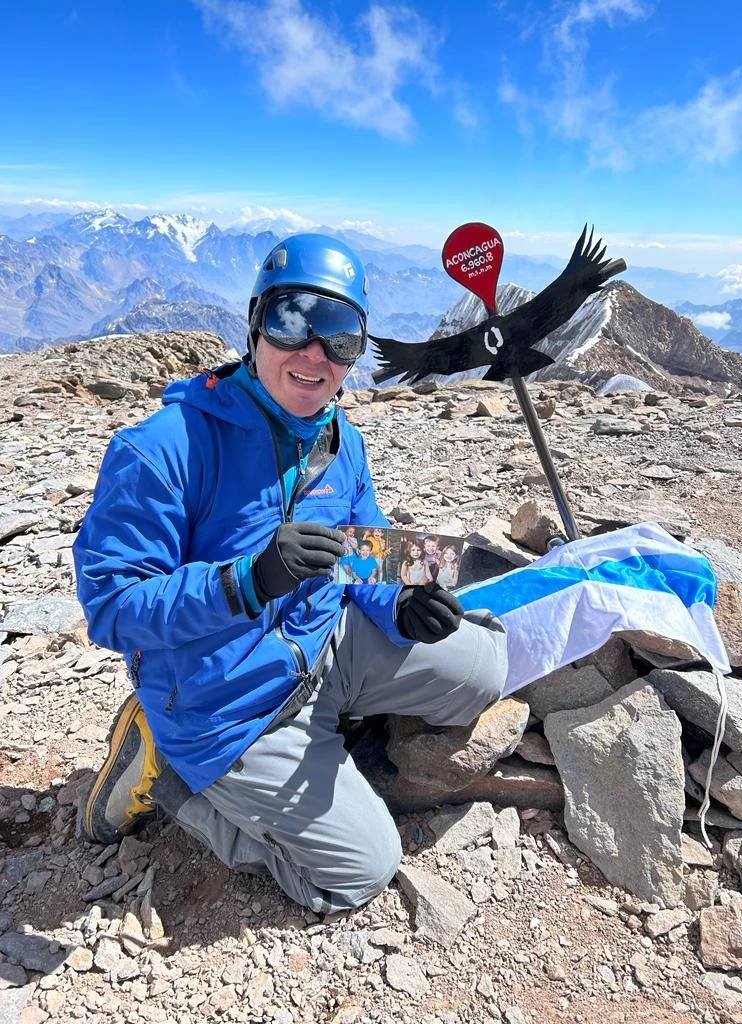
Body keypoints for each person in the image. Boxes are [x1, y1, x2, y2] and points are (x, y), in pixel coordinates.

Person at [73, 233, 507, 914]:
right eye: (293, 320)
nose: (315, 353)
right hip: (227, 707)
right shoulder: (163, 448)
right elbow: (112, 607)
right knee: (362, 870)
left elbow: (362, 547)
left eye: (341, 335)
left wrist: (402, 601)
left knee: (484, 668)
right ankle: (168, 773)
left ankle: (335, 724)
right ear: (255, 325)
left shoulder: (341, 440)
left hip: (321, 647)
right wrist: (244, 581)